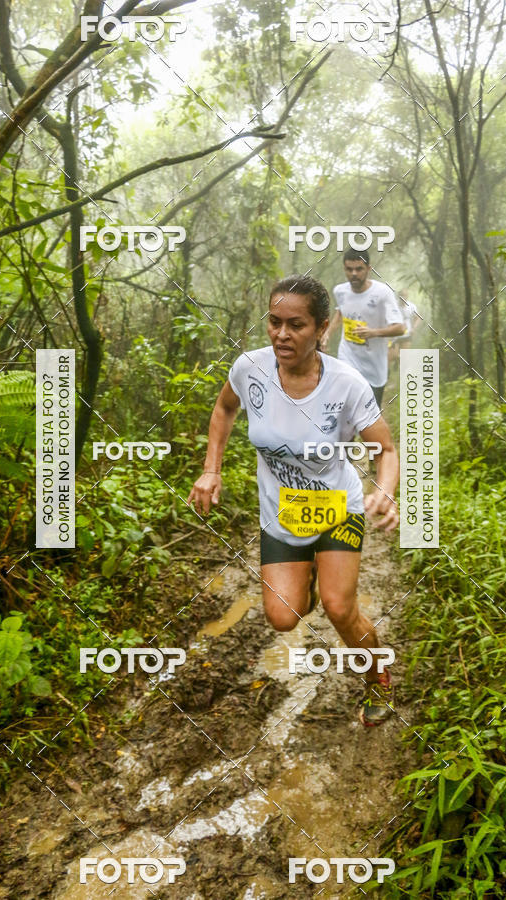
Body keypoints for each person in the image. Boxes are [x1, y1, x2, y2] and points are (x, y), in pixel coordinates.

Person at [188, 274, 400, 726]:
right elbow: (224, 409)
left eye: (296, 325)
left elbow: (387, 449)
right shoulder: (250, 368)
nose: (282, 334)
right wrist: (211, 468)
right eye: (274, 322)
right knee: (284, 618)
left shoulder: (347, 383)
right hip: (281, 515)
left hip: (338, 509)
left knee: (340, 607)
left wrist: (384, 488)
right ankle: (306, 581)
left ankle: (377, 676)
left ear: (322, 328)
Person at [322, 249, 405, 408]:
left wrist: (373, 333)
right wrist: (327, 333)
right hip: (348, 356)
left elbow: (400, 328)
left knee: (370, 419)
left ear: (369, 269)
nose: (354, 273)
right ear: (344, 269)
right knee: (345, 411)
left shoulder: (383, 293)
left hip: (375, 366)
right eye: (349, 269)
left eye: (359, 269)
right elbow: (340, 313)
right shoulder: (340, 291)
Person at [388, 290, 421, 363]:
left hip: (407, 333)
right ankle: (397, 359)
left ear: (407, 296)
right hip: (395, 334)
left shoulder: (412, 306)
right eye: (402, 295)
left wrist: (413, 328)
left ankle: (401, 368)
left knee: (404, 356)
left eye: (405, 295)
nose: (403, 297)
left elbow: (418, 318)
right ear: (398, 296)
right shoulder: (393, 305)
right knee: (394, 355)